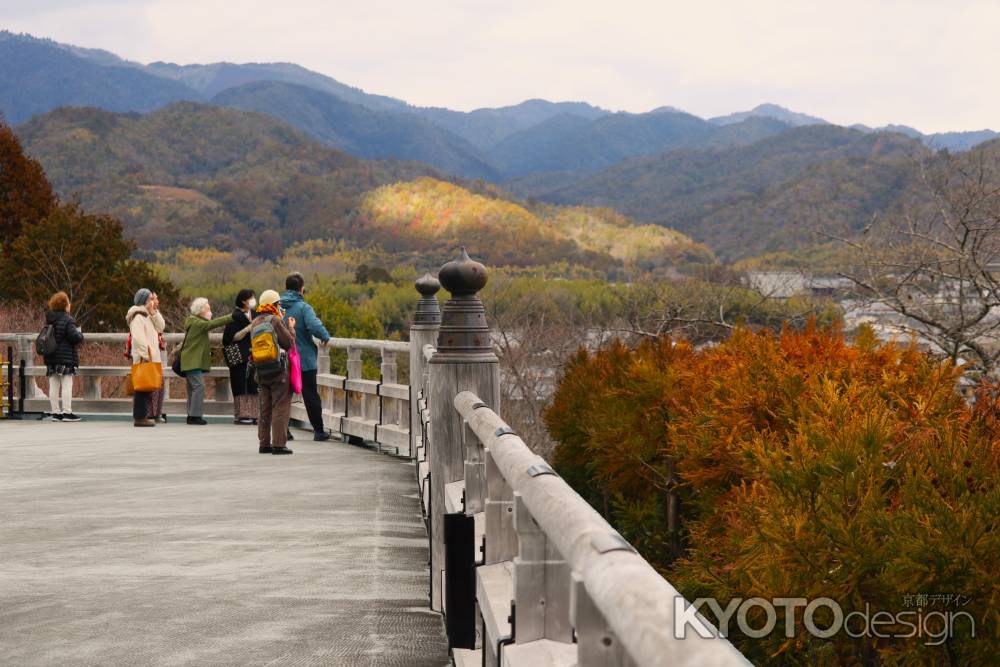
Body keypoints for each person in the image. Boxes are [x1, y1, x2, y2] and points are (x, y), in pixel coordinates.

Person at [280, 272, 332, 441]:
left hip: (283, 359)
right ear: (302, 289)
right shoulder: (303, 308)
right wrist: (325, 336)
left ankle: (283, 430)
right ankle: (318, 431)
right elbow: (314, 326)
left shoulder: (278, 307)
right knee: (310, 395)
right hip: (304, 360)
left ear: (286, 288)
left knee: (283, 395)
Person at [253, 290, 296, 454]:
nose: (280, 307)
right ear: (274, 305)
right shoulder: (276, 321)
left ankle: (264, 443)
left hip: (261, 370)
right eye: (279, 304)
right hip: (278, 370)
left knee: (264, 407)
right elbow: (289, 344)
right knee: (280, 406)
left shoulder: (255, 322)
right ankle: (279, 444)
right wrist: (291, 328)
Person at [180, 298, 232, 425]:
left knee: (192, 388)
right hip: (192, 361)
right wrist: (232, 316)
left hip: (190, 360)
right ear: (200, 310)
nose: (210, 312)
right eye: (208, 309)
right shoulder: (197, 323)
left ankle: (191, 415)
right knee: (199, 386)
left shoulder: (194, 321)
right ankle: (195, 416)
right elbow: (212, 324)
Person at [43, 291, 84, 422]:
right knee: (67, 384)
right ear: (65, 305)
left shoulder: (49, 318)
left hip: (51, 356)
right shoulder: (68, 319)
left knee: (53, 385)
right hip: (65, 358)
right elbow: (74, 337)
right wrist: (80, 335)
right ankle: (67, 412)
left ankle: (55, 413)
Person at [127, 288, 166, 428]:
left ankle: (144, 415)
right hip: (144, 357)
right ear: (144, 300)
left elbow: (161, 327)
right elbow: (138, 338)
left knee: (147, 386)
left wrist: (154, 312)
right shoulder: (137, 315)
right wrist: (146, 354)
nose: (153, 301)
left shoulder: (149, 315)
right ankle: (140, 417)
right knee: (141, 387)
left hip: (152, 357)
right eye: (150, 299)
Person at [223, 289, 259, 425]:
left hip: (254, 354)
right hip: (239, 356)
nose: (253, 300)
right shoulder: (234, 316)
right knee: (240, 383)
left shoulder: (255, 314)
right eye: (251, 298)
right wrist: (247, 329)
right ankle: (242, 414)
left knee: (254, 383)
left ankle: (255, 414)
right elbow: (229, 338)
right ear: (243, 301)